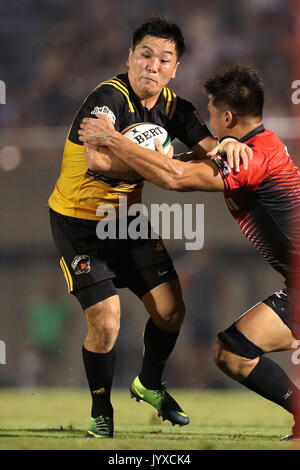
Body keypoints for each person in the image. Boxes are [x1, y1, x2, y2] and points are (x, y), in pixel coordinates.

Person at [48, 17, 250, 439]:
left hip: (127, 219)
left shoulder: (174, 107)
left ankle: (149, 383)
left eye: (164, 59)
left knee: (172, 310)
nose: (152, 66)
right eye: (145, 55)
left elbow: (210, 148)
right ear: (129, 57)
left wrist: (226, 143)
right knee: (106, 322)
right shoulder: (108, 97)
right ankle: (101, 411)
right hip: (80, 223)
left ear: (175, 68)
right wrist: (165, 164)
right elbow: (97, 161)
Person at [79, 65, 300, 440]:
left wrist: (114, 140)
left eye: (211, 113)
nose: (207, 121)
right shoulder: (255, 146)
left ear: (227, 117)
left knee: (233, 352)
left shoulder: (252, 157)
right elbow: (178, 165)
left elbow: (174, 178)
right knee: (232, 351)